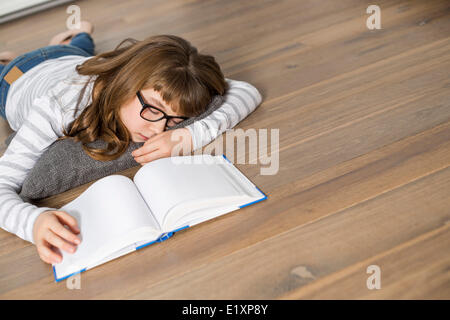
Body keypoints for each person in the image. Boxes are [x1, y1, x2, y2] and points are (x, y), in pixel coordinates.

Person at [0, 21, 262, 264]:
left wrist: (189, 135)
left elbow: (246, 91)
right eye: (153, 109)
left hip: (72, 59)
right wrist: (32, 222)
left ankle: (72, 38)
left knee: (79, 45)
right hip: (17, 77)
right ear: (127, 82)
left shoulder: (153, 84)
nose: (158, 128)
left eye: (174, 120)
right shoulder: (58, 107)